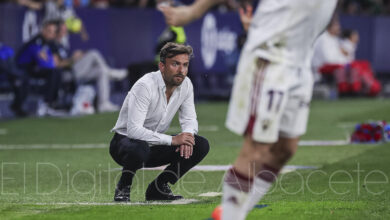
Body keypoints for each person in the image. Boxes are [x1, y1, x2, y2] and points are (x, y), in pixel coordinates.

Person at [160, 0, 338, 219]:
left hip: (301, 61)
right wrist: (193, 10)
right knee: (257, 148)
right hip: (271, 57)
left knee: (285, 149)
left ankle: (229, 214)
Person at [110, 42, 210, 202]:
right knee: (140, 147)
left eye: (185, 65)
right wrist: (173, 140)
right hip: (124, 145)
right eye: (175, 64)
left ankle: (159, 187)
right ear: (162, 66)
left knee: (199, 144)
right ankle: (124, 186)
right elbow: (134, 130)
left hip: (153, 146)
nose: (181, 70)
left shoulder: (186, 84)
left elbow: (189, 118)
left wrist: (187, 137)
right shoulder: (145, 85)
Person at [51, 20, 127, 112]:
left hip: (75, 70)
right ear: (57, 31)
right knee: (94, 53)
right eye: (63, 29)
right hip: (68, 73)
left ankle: (103, 104)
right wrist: (72, 59)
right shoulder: (53, 44)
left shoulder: (63, 43)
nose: (65, 30)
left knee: (101, 71)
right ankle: (112, 73)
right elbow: (57, 64)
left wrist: (78, 56)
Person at [15, 19, 63, 116]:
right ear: (43, 30)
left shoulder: (51, 43)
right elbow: (43, 60)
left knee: (56, 71)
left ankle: (51, 103)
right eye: (48, 30)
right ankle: (45, 103)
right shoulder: (36, 40)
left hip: (36, 68)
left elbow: (55, 61)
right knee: (52, 71)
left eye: (52, 32)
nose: (49, 34)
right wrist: (50, 59)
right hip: (23, 67)